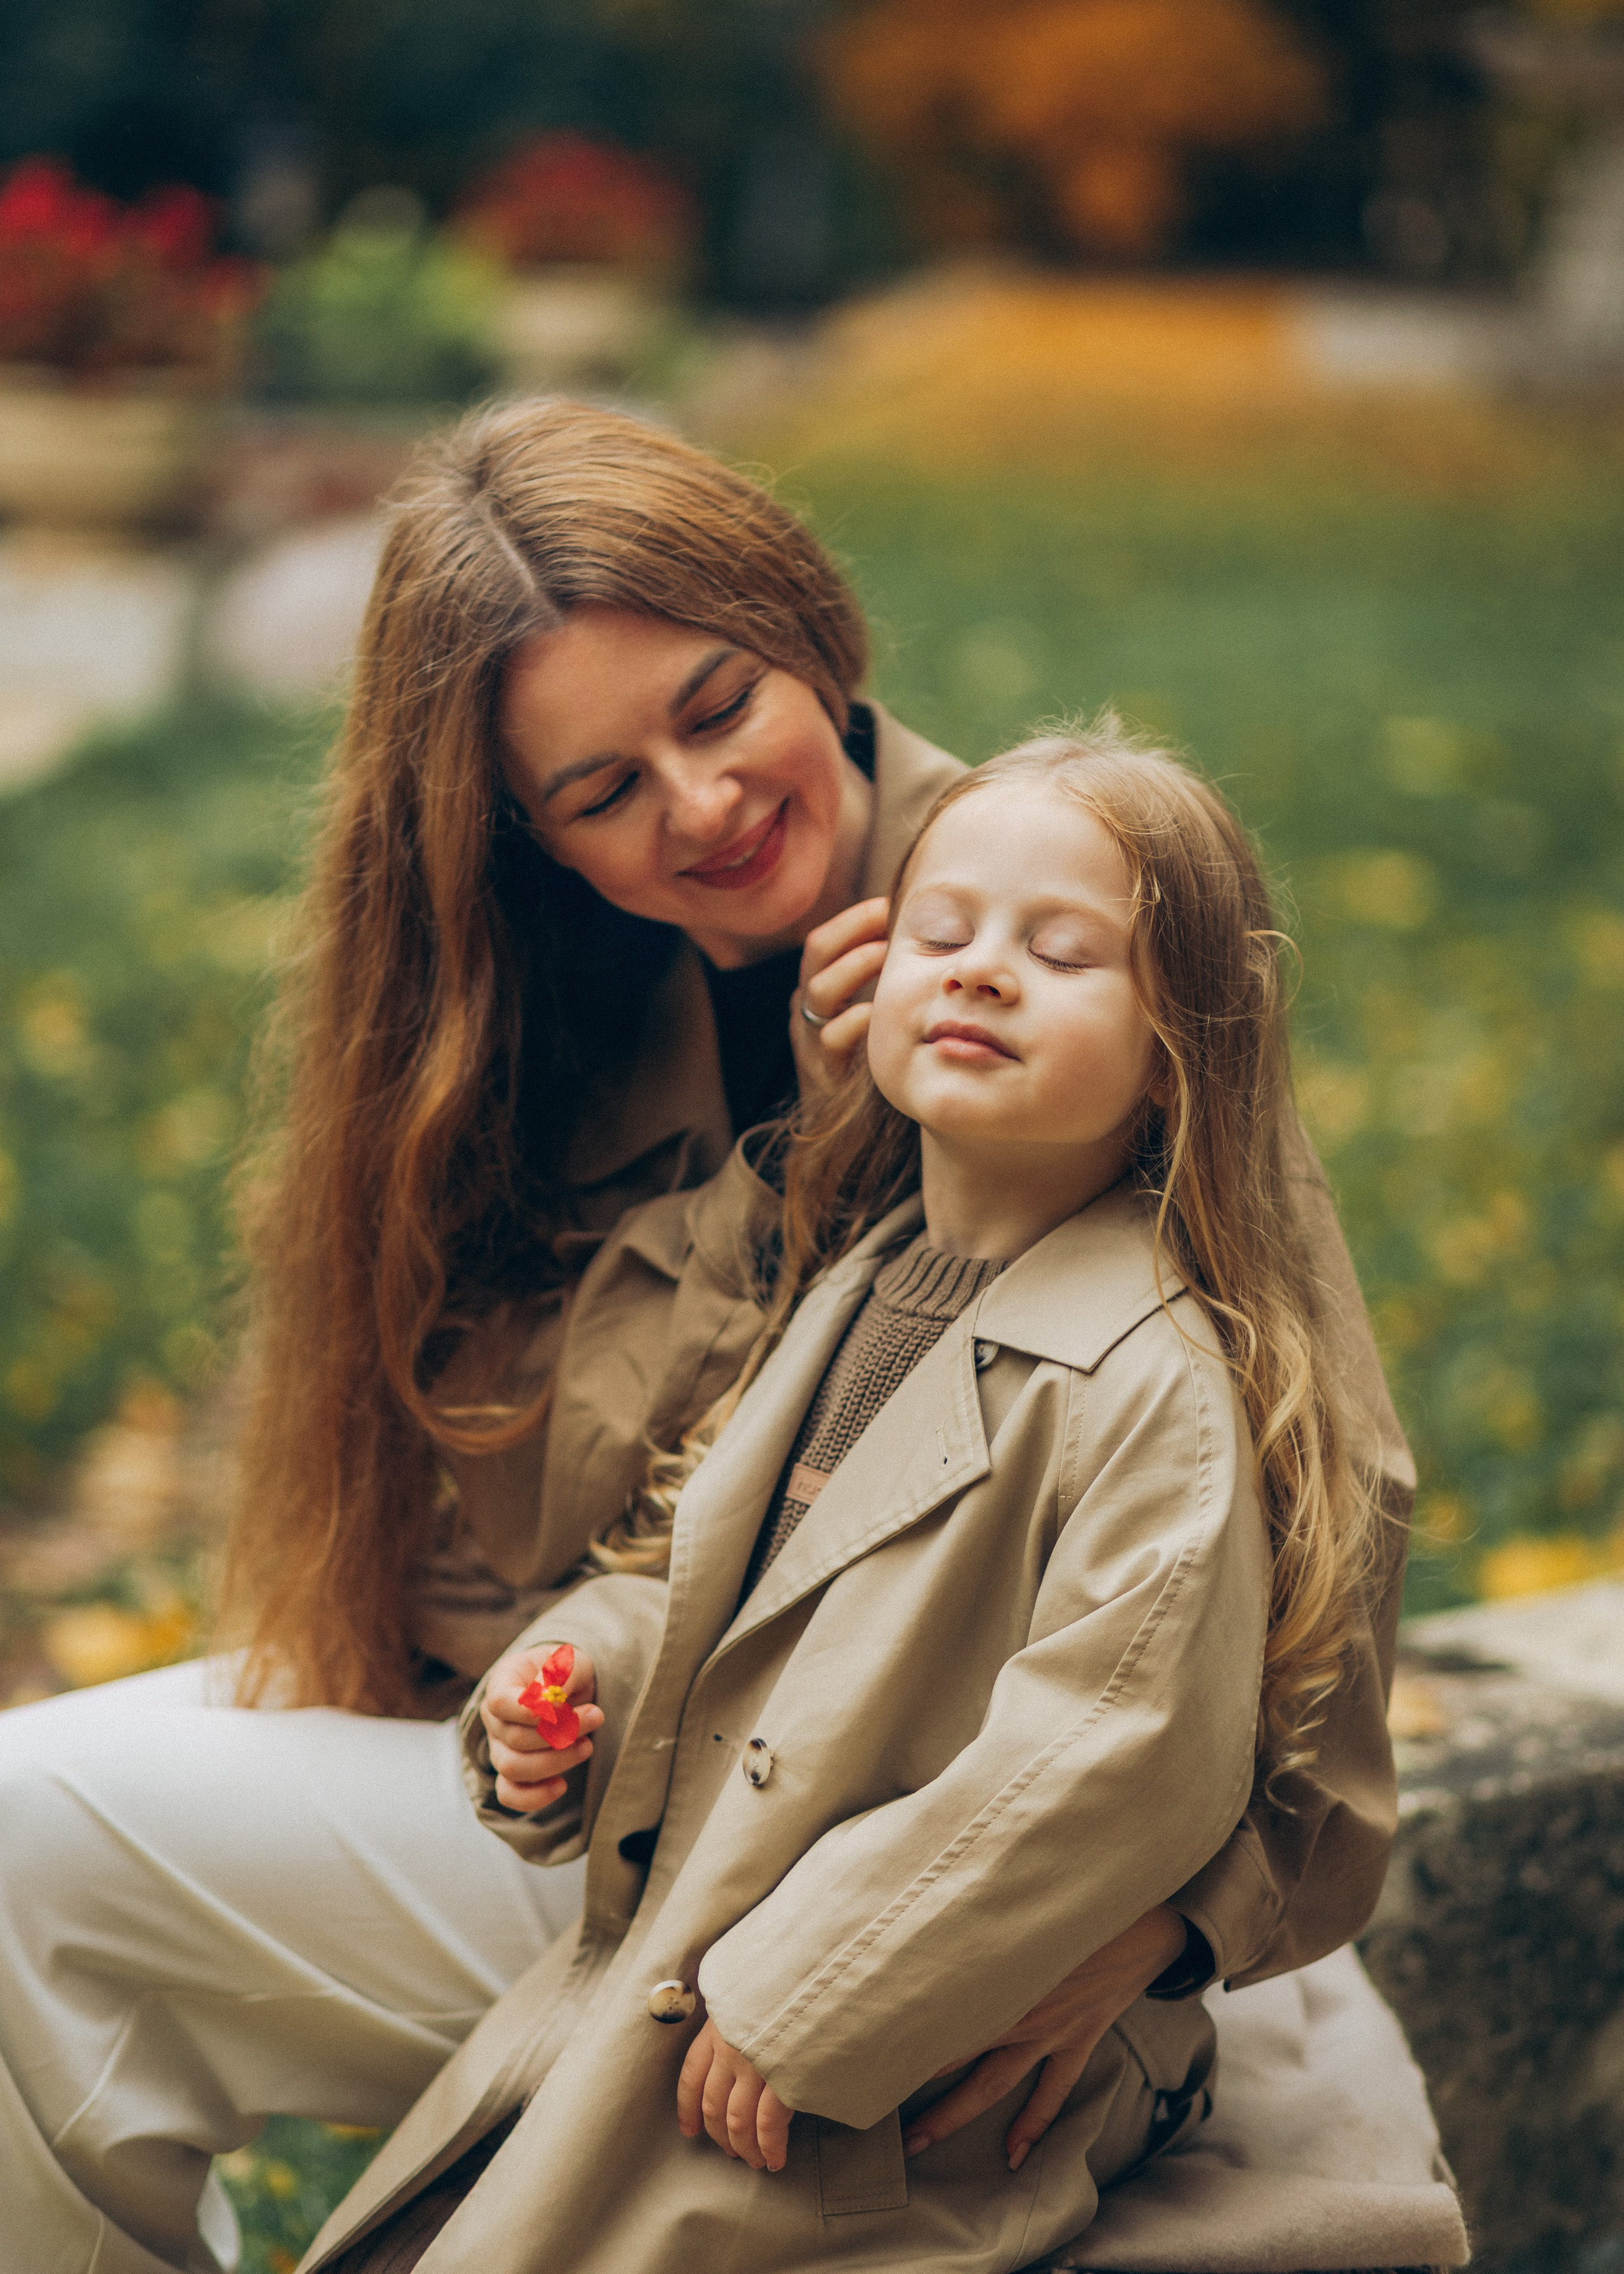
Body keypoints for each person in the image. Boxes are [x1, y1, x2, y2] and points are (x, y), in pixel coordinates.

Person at [0, 402, 1408, 2274]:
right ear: (524, 836)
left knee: (27, 1847)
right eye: (601, 792)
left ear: (809, 632)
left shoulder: (1054, 945)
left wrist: (1155, 1928)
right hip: (610, 1778)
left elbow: (1314, 1518)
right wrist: (550, 1685)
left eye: (720, 704)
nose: (701, 806)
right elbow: (588, 1527)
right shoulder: (532, 991)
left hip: (868, 1871)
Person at [304, 728, 1387, 2274]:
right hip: (706, 1983)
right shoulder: (866, 1276)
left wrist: (812, 1993)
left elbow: (1105, 1752)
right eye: (939, 933)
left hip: (882, 2091)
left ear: (1178, 1049)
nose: (982, 971)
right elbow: (737, 1580)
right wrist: (576, 1678)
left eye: (1059, 953)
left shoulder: (1148, 1380)